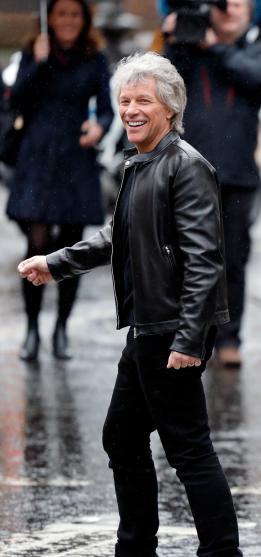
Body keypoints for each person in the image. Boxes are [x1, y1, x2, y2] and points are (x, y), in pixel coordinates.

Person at [17, 52, 245, 557]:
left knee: (189, 451)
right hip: (147, 327)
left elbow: (205, 261)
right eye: (125, 101)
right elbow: (115, 236)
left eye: (143, 100)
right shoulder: (138, 163)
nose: (131, 110)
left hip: (171, 330)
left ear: (169, 107)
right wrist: (56, 261)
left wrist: (190, 341)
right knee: (121, 437)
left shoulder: (184, 165)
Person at [164, 0, 261, 367]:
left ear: (251, 12)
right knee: (183, 258)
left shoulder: (259, 53)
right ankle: (188, 338)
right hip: (187, 175)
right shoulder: (186, 52)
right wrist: (174, 39)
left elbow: (255, 77)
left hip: (238, 176)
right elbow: (164, 88)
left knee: (231, 262)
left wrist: (215, 47)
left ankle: (230, 338)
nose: (231, 8)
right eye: (222, 3)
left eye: (239, 4)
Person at [5, 0, 113, 361]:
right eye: (61, 13)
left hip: (75, 156)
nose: (67, 20)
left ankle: (61, 329)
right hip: (36, 156)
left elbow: (108, 107)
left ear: (83, 20)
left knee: (70, 249)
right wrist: (36, 62)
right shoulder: (34, 50)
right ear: (48, 17)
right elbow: (15, 99)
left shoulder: (94, 56)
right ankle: (32, 330)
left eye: (74, 14)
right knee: (36, 245)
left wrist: (99, 127)